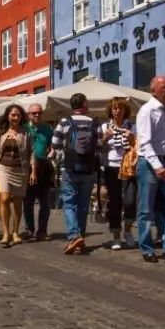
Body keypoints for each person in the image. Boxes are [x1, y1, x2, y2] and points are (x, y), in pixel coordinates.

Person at [135, 76, 165, 264]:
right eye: (164, 86)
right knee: (146, 208)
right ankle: (147, 248)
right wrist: (157, 166)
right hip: (149, 163)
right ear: (154, 89)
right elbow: (145, 142)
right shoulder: (147, 111)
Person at [52, 93, 102, 255]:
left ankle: (74, 235)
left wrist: (62, 158)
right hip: (88, 170)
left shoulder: (65, 122)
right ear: (85, 105)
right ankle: (79, 239)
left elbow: (55, 143)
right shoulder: (95, 123)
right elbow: (99, 146)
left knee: (69, 203)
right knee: (83, 205)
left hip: (69, 168)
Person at [0, 104, 33, 248]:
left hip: (21, 170)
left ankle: (15, 232)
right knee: (4, 198)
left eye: (18, 115)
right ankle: (5, 232)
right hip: (4, 168)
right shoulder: (1, 132)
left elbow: (31, 153)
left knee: (18, 202)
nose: (15, 118)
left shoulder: (26, 133)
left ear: (21, 118)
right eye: (13, 115)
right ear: (8, 116)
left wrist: (34, 171)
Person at [100, 97, 136, 250]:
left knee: (130, 201)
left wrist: (132, 138)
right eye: (115, 108)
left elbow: (138, 146)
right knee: (115, 203)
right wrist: (104, 138)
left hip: (128, 167)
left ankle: (127, 231)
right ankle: (116, 236)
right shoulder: (104, 127)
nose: (117, 111)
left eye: (120, 108)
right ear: (111, 111)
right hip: (111, 167)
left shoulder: (132, 127)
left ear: (125, 111)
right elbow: (98, 149)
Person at [23, 103, 55, 241]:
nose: (37, 115)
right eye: (34, 113)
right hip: (28, 167)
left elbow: (53, 147)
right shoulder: (24, 129)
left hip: (44, 166)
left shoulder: (47, 129)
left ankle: (42, 230)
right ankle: (29, 229)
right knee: (28, 201)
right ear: (28, 114)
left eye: (39, 113)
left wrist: (50, 155)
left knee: (45, 202)